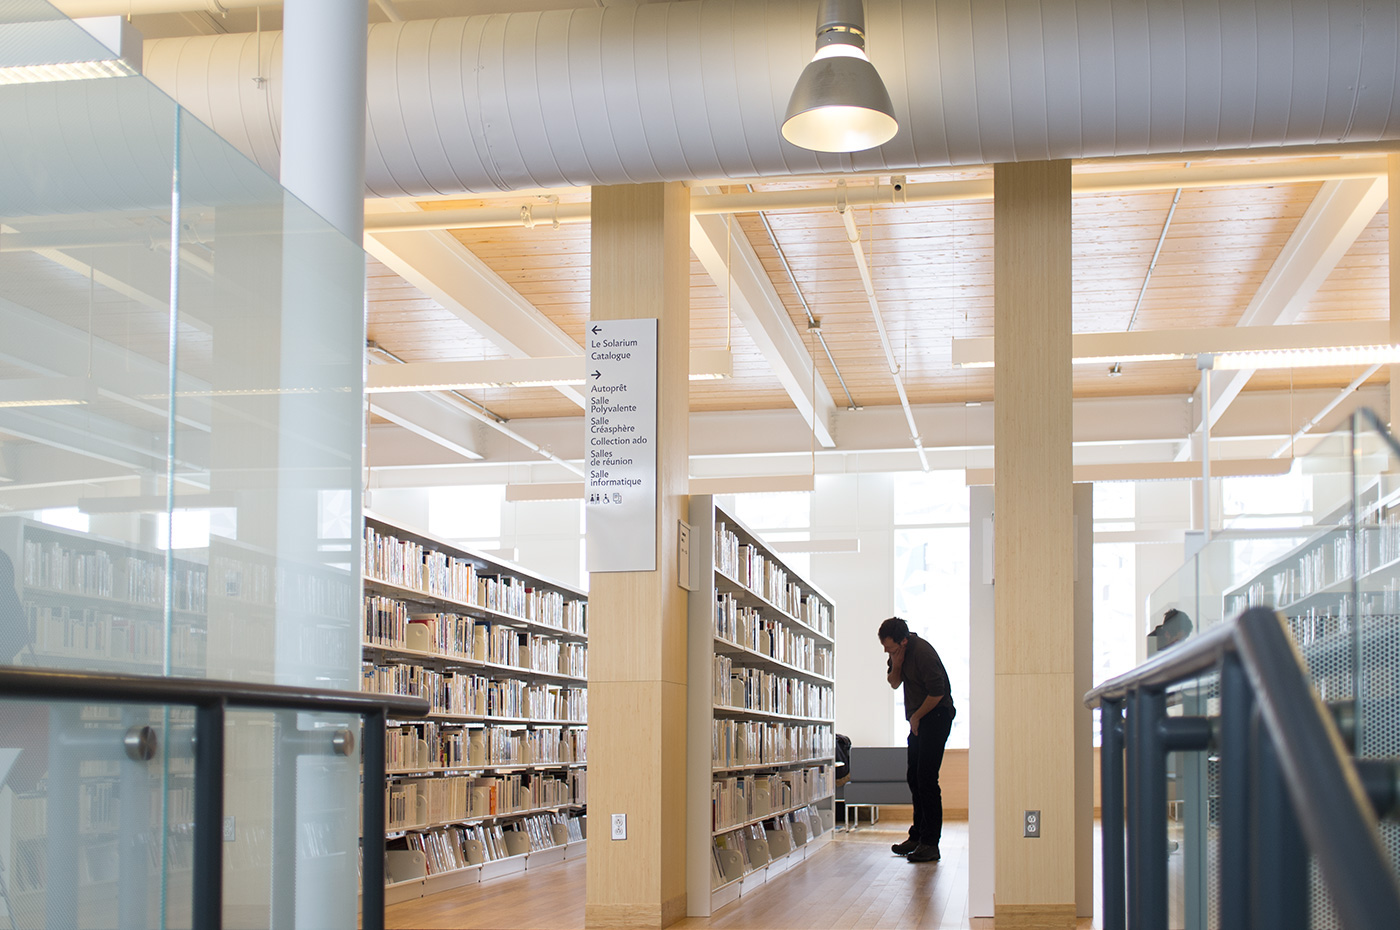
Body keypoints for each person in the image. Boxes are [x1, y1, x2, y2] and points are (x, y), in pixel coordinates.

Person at [879, 616, 955, 863]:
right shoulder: (897, 652)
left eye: (889, 646)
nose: (886, 651)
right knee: (914, 776)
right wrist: (897, 664)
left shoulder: (923, 652)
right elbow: (893, 683)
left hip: (937, 715)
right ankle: (917, 836)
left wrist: (917, 717)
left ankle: (931, 844)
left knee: (927, 778)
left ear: (903, 640)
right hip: (919, 719)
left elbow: (938, 692)